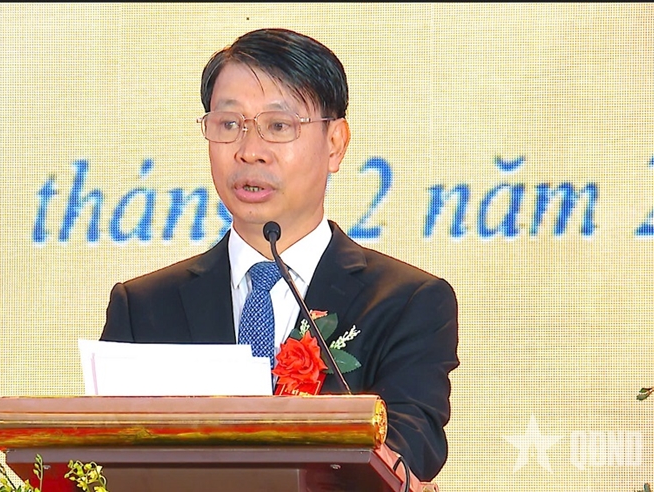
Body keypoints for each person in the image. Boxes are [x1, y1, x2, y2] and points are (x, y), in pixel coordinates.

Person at [100, 28, 459, 481]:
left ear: (335, 143)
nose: (250, 152)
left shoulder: (407, 302)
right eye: (229, 125)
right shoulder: (143, 307)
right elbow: (104, 464)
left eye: (278, 126)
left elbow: (411, 451)